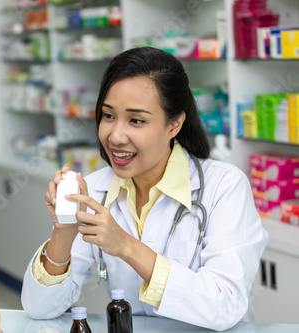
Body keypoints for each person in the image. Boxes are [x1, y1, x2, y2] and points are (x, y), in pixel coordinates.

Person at [21, 47, 269, 331]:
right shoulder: (95, 189)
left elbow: (225, 305)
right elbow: (39, 309)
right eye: (108, 115)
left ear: (174, 123)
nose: (115, 136)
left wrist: (125, 245)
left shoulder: (224, 186)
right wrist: (64, 232)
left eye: (136, 120)